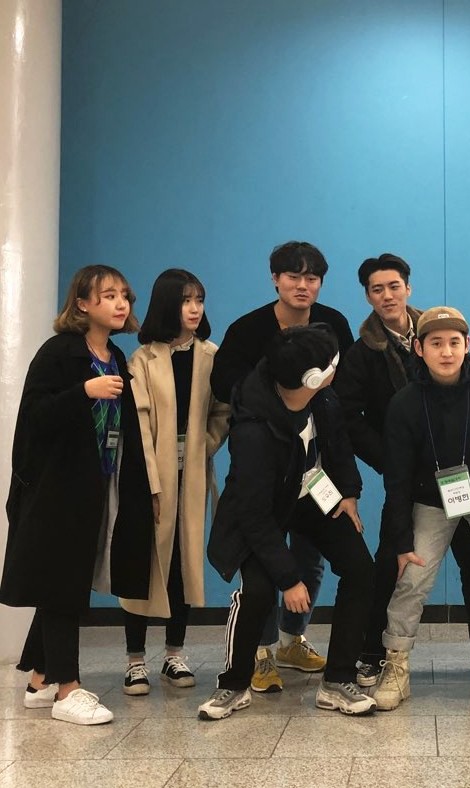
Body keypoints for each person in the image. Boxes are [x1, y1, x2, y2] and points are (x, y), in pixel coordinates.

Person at [1, 265, 153, 725]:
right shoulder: (59, 352)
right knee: (62, 584)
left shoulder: (116, 355)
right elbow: (35, 416)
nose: (120, 303)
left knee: (65, 580)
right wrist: (84, 392)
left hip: (99, 484)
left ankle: (40, 680)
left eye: (124, 295)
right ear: (82, 304)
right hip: (57, 489)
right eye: (108, 295)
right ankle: (68, 689)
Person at [200, 325, 376, 720]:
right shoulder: (254, 432)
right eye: (332, 363)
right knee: (259, 590)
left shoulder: (322, 397)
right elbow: (254, 515)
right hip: (261, 508)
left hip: (312, 492)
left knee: (361, 570)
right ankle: (233, 683)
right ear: (311, 377)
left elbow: (338, 443)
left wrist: (348, 492)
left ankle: (337, 680)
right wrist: (289, 579)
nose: (337, 366)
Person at [333, 255, 470, 686]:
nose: (387, 295)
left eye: (394, 286)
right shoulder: (362, 353)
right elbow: (349, 419)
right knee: (393, 564)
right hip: (407, 478)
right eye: (377, 289)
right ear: (368, 296)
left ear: (408, 288)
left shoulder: (439, 331)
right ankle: (373, 652)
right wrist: (391, 457)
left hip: (457, 476)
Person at [211, 241, 354, 691]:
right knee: (268, 559)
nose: (302, 285)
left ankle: (293, 639)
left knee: (311, 558)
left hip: (314, 465)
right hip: (269, 459)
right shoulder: (248, 328)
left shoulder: (334, 323)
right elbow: (222, 383)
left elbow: (343, 385)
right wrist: (280, 397)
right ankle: (261, 652)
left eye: (312, 277)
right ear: (275, 279)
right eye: (293, 276)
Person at [373, 307, 470, 713]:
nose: (446, 352)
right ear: (419, 348)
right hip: (429, 501)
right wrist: (401, 541)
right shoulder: (405, 403)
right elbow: (397, 479)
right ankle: (396, 663)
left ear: (467, 345)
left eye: (454, 343)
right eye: (436, 344)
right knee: (412, 577)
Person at [119, 269, 230, 695]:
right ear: (168, 304)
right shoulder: (143, 359)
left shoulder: (211, 356)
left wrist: (205, 445)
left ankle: (174, 655)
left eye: (199, 299)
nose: (194, 308)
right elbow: (138, 423)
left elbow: (222, 412)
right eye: (186, 300)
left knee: (183, 563)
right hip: (150, 475)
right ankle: (134, 661)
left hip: (193, 474)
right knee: (144, 562)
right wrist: (151, 481)